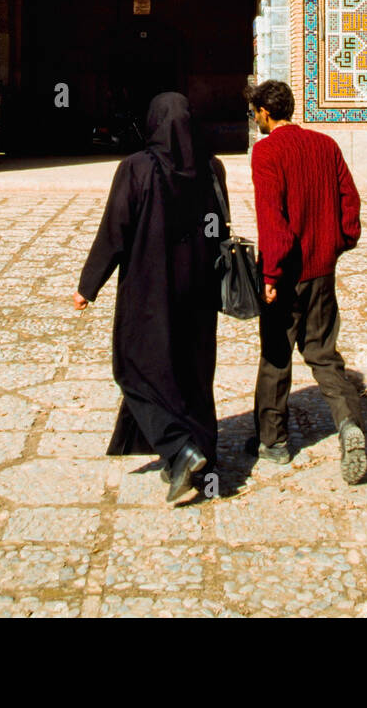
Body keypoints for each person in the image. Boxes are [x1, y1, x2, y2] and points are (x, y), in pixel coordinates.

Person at [72, 91, 227, 505]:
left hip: (149, 287)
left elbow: (115, 231)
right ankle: (203, 456)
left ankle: (179, 449)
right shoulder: (212, 167)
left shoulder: (136, 169)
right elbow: (219, 229)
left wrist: (89, 285)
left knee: (135, 365)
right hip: (198, 289)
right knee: (193, 368)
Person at [247, 79, 366, 484]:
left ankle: (273, 442)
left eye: (255, 113)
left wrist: (271, 274)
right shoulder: (326, 145)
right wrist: (340, 242)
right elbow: (350, 198)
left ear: (264, 112)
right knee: (323, 351)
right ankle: (349, 423)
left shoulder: (266, 151)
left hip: (288, 274)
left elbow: (272, 218)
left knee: (276, 355)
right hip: (322, 270)